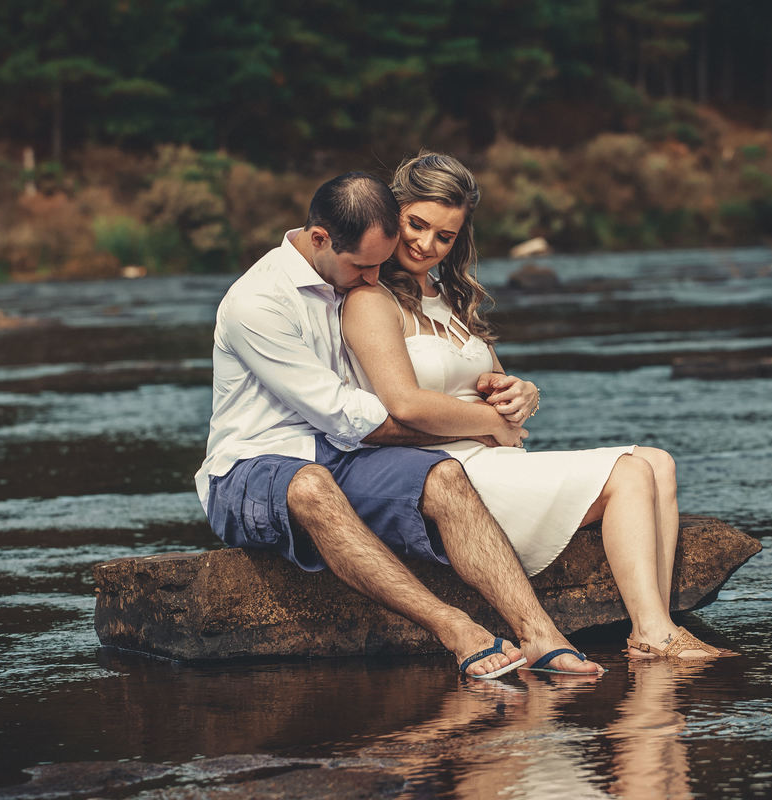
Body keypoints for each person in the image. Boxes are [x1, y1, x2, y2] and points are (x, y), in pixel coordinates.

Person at [194, 171, 603, 678]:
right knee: (311, 486)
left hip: (336, 452)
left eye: (380, 265)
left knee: (445, 474)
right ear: (319, 239)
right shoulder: (257, 303)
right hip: (250, 467)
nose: (372, 279)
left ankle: (540, 633)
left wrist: (514, 394)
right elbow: (347, 416)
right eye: (363, 267)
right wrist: (478, 427)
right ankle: (456, 628)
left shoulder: (347, 275)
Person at [341, 153, 725, 659]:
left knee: (659, 462)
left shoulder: (450, 296)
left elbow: (492, 382)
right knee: (630, 473)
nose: (426, 245)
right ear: (393, 214)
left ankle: (659, 621)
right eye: (417, 224)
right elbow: (405, 404)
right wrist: (490, 425)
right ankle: (652, 633)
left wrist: (524, 393)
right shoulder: (370, 301)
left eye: (445, 236)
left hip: (495, 457)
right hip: (443, 472)